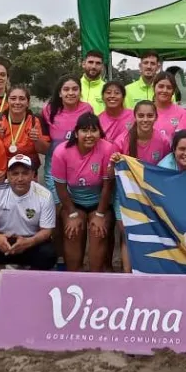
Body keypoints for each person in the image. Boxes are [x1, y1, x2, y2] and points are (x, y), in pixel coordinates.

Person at [110, 101, 171, 272]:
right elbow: (110, 173)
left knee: (152, 234)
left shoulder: (164, 140)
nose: (145, 119)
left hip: (152, 195)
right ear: (135, 117)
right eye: (141, 115)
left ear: (156, 117)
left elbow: (165, 170)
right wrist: (114, 161)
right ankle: (128, 276)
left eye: (150, 115)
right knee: (128, 234)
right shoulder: (122, 141)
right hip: (126, 194)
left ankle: (151, 273)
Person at [51, 113, 116, 272]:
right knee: (72, 231)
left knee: (98, 231)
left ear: (100, 133)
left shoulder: (108, 148)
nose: (89, 135)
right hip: (74, 203)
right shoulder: (61, 151)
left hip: (99, 202)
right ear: (76, 133)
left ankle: (95, 278)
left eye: (93, 131)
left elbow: (108, 186)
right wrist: (72, 214)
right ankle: (75, 277)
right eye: (84, 131)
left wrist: (100, 214)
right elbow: (60, 187)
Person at [0, 154, 58, 283]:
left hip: (28, 241)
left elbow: (47, 230)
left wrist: (29, 242)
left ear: (33, 175)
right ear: (8, 175)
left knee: (48, 254)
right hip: (2, 241)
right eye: (15, 174)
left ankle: (27, 281)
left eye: (25, 173)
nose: (20, 179)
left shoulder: (45, 195)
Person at [42, 75, 94, 203]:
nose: (70, 93)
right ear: (60, 93)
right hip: (54, 166)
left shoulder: (87, 109)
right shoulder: (48, 110)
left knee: (74, 208)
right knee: (57, 205)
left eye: (75, 89)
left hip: (78, 165)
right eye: (66, 89)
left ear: (80, 92)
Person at [0, 86, 51, 171]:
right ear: (7, 102)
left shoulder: (36, 121)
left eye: (22, 99)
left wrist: (37, 140)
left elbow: (46, 151)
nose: (17, 102)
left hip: (28, 172)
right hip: (2, 170)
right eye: (13, 98)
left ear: (28, 103)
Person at [151, 72, 186, 140]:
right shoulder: (145, 111)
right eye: (161, 86)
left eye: (169, 88)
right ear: (153, 88)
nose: (164, 90)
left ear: (173, 91)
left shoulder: (182, 114)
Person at [98, 81, 133, 145]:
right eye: (108, 93)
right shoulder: (98, 120)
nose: (112, 96)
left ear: (123, 97)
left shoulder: (133, 116)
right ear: (102, 97)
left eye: (117, 93)